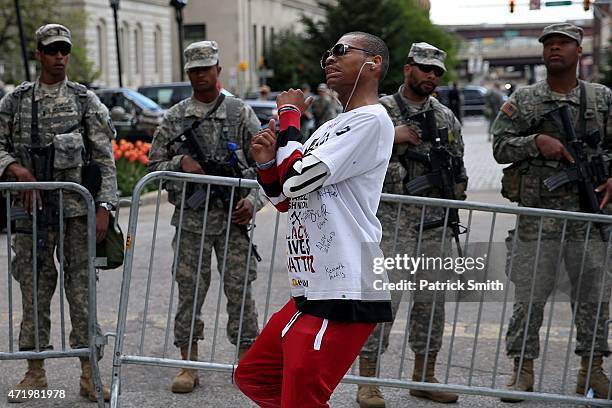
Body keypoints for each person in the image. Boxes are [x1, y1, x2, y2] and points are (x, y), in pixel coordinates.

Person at [234, 31, 394, 407]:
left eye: (340, 51)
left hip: (347, 283)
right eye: (327, 54)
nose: (329, 60)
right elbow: (286, 197)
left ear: (374, 64)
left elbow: (298, 177)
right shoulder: (330, 127)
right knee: (254, 376)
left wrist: (290, 116)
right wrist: (264, 162)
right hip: (312, 285)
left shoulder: (372, 120)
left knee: (302, 396)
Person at [492, 23, 612, 401]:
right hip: (538, 221)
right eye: (549, 45)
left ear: (580, 51)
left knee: (594, 300)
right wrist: (535, 142)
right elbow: (499, 147)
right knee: (529, 299)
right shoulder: (525, 100)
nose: (555, 50)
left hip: (587, 221)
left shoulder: (601, 99)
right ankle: (521, 370)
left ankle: (592, 371)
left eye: (564, 44)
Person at [0, 24, 117, 402]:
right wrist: (14, 168)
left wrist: (104, 207)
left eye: (64, 49)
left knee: (81, 294)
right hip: (30, 214)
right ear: (39, 55)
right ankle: (35, 372)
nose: (60, 56)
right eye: (52, 50)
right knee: (34, 292)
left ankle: (88, 372)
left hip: (75, 215)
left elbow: (104, 158)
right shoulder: (14, 102)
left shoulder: (85, 101)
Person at [147, 40, 263, 394]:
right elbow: (154, 165)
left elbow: (265, 163)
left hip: (233, 221)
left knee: (240, 291)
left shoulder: (240, 113)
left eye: (206, 68)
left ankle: (247, 361)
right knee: (189, 292)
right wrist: (179, 163)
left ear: (218, 69)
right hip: (193, 220)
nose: (200, 75)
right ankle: (188, 362)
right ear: (188, 73)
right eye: (194, 70)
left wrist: (252, 201)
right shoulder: (176, 116)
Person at [356, 42, 467, 407]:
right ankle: (367, 381)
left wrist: (453, 189)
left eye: (436, 71)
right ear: (407, 69)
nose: (431, 76)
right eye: (424, 68)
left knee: (432, 305)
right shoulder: (379, 112)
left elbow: (459, 168)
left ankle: (424, 375)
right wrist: (400, 172)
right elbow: (358, 160)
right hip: (392, 225)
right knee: (382, 305)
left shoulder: (446, 117)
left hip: (435, 227)